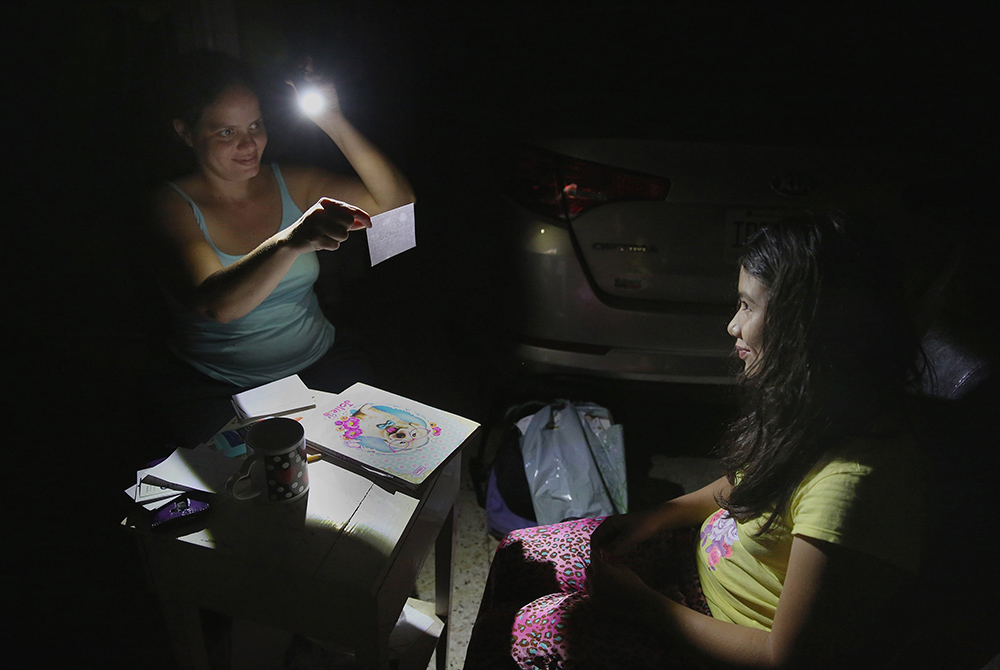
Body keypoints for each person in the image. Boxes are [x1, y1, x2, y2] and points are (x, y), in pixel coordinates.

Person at [464, 212, 927, 669]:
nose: (733, 325)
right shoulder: (815, 415)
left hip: (719, 639)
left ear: (803, 327)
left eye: (748, 306)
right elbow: (745, 490)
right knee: (521, 555)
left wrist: (645, 606)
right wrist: (656, 518)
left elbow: (787, 656)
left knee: (537, 630)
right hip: (691, 573)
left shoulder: (852, 483)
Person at [142, 51, 414, 447]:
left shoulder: (291, 182)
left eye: (256, 125)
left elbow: (395, 204)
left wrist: (333, 120)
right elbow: (218, 304)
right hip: (217, 387)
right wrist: (290, 241)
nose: (249, 144)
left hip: (319, 363)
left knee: (375, 456)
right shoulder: (171, 205)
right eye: (226, 132)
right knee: (247, 491)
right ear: (186, 133)